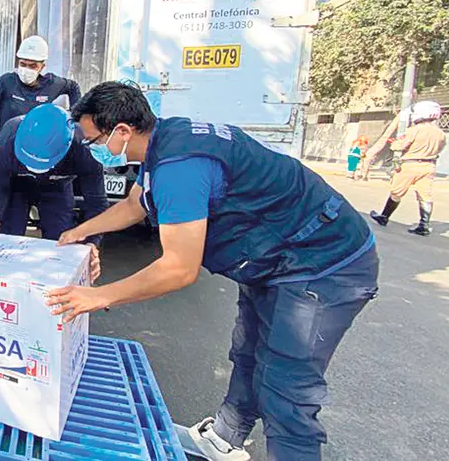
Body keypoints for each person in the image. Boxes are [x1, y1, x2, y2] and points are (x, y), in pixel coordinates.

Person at [47, 82, 378, 461]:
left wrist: (99, 295)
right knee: (248, 352)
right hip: (275, 259)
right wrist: (81, 230)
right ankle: (224, 439)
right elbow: (136, 205)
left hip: (323, 263)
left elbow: (178, 268)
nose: (93, 150)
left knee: (286, 389)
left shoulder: (180, 168)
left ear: (122, 131)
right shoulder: (164, 139)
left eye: (93, 141)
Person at [0, 102, 106, 277]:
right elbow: (0, 187)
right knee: (7, 241)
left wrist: (92, 243)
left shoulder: (85, 147)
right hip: (17, 187)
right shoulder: (6, 141)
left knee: (62, 244)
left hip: (57, 188)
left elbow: (96, 202)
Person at [0, 35, 81, 153]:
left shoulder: (51, 84)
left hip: (37, 148)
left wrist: (74, 119)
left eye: (33, 66)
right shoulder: (6, 82)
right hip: (7, 146)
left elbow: (73, 87)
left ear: (42, 67)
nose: (26, 69)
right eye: (23, 64)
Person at [370, 101, 446, 236]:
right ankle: (424, 225)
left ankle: (384, 217)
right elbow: (440, 148)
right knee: (425, 195)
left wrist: (395, 143)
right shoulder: (440, 133)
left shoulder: (414, 130)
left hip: (410, 165)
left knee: (396, 192)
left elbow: (399, 146)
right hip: (429, 166)